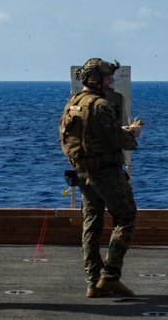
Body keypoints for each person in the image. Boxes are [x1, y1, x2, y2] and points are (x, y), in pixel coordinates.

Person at [60, 58, 143, 298]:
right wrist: (133, 134)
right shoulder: (101, 105)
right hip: (106, 171)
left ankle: (92, 280)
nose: (111, 81)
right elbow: (118, 140)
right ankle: (110, 276)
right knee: (126, 218)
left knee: (91, 222)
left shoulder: (73, 103)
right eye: (107, 77)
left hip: (83, 172)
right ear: (96, 79)